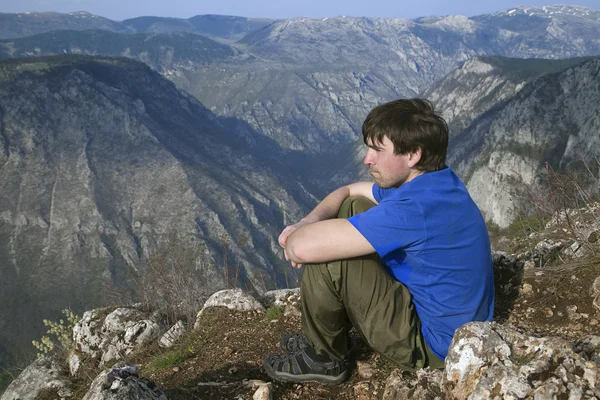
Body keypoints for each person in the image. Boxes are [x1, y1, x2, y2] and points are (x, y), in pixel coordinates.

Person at [263, 98, 494, 384]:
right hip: (453, 325)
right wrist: (306, 223)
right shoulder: (435, 183)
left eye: (377, 150)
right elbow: (349, 191)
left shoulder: (412, 210)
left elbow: (301, 247)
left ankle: (324, 358)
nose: (367, 159)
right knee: (353, 207)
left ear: (413, 155)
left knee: (330, 253)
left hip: (434, 346)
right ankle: (324, 334)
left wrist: (298, 237)